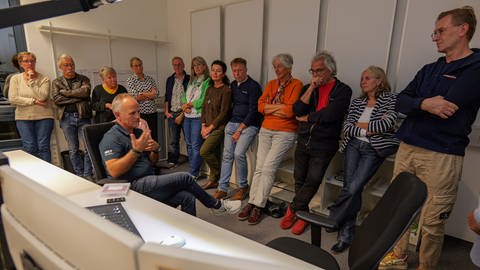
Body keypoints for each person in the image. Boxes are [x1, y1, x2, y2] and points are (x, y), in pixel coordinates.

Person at [379, 6, 480, 270]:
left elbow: (448, 107)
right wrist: (424, 104)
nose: (435, 36)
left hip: (442, 154)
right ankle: (397, 257)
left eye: (441, 31)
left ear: (463, 30)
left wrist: (417, 103)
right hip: (408, 147)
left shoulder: (475, 68)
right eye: (434, 32)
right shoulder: (429, 69)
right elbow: (399, 100)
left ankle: (426, 266)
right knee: (399, 211)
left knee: (433, 221)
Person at [99, 93, 240, 216]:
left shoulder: (138, 132)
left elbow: (152, 162)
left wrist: (154, 150)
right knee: (185, 177)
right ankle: (216, 206)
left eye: (138, 112)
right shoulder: (112, 137)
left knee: (187, 197)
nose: (138, 117)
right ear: (118, 115)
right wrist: (136, 151)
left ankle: (190, 234)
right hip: (132, 187)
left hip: (149, 182)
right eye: (132, 113)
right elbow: (114, 171)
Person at [278, 51, 352, 235]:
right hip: (304, 139)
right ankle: (303, 214)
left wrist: (308, 118)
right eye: (312, 71)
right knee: (299, 178)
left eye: (319, 71)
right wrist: (311, 89)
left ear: (331, 70)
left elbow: (332, 114)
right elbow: (297, 110)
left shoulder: (343, 90)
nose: (315, 75)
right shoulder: (307, 88)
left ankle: (293, 209)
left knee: (313, 179)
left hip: (324, 143)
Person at [326, 66, 398, 252]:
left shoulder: (390, 99)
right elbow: (348, 126)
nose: (363, 81)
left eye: (367, 78)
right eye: (362, 78)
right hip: (353, 146)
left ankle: (335, 215)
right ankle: (345, 235)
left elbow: (388, 123)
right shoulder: (358, 102)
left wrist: (363, 126)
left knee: (354, 187)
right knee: (350, 188)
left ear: (379, 81)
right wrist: (368, 128)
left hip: (373, 149)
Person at [237, 53, 303, 225]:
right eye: (274, 66)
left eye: (279, 66)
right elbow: (260, 107)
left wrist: (270, 108)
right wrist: (279, 108)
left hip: (285, 132)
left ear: (289, 68)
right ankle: (251, 202)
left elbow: (290, 112)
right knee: (259, 167)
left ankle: (258, 205)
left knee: (268, 167)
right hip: (266, 129)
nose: (276, 70)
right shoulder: (272, 84)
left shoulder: (297, 84)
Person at [214, 58, 262, 200]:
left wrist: (239, 130)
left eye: (240, 70)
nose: (237, 73)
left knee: (238, 154)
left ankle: (242, 187)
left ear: (246, 70)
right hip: (233, 123)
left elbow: (254, 111)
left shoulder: (254, 86)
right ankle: (222, 188)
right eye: (234, 71)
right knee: (227, 155)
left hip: (249, 125)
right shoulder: (233, 85)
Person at [52, 54, 93, 179]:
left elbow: (86, 92)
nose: (70, 67)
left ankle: (88, 174)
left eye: (72, 64)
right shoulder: (57, 82)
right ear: (61, 67)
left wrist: (67, 94)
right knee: (73, 149)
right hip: (66, 118)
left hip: (83, 117)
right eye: (66, 65)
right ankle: (79, 174)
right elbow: (57, 100)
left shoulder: (83, 79)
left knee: (88, 148)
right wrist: (77, 97)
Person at [8, 51, 54, 162]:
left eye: (32, 61)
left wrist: (31, 81)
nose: (30, 63)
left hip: (44, 117)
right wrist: (34, 101)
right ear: (20, 63)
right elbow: (13, 98)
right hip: (23, 118)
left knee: (43, 147)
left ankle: (48, 175)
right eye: (26, 61)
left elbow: (42, 96)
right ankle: (34, 175)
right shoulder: (15, 79)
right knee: (29, 147)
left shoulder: (44, 79)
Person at [199, 60, 232, 190]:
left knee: (204, 151)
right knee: (214, 152)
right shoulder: (209, 89)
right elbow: (204, 109)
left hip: (219, 128)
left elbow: (224, 113)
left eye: (218, 71)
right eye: (213, 70)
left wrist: (210, 128)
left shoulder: (226, 90)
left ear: (223, 74)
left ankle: (218, 174)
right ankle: (214, 180)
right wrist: (203, 126)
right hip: (206, 126)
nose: (215, 73)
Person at [181, 56, 211, 179]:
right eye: (194, 65)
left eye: (199, 65)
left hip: (198, 117)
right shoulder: (191, 81)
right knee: (188, 144)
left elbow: (203, 100)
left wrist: (190, 104)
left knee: (195, 145)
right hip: (187, 116)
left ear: (204, 66)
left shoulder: (207, 81)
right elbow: (184, 96)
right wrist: (184, 105)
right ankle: (193, 169)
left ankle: (194, 172)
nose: (197, 68)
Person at [126, 57, 159, 142]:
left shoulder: (150, 79)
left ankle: (154, 154)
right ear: (132, 67)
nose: (139, 67)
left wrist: (142, 93)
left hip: (152, 112)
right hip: (140, 115)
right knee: (141, 137)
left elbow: (156, 94)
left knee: (153, 136)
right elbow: (135, 97)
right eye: (136, 66)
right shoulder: (131, 80)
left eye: (140, 65)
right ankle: (144, 155)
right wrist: (150, 94)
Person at [165, 56, 190, 165]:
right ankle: (173, 161)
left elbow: (191, 97)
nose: (177, 66)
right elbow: (167, 96)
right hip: (172, 113)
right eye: (175, 64)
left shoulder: (189, 79)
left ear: (183, 65)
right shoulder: (170, 79)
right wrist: (167, 112)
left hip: (185, 114)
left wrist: (184, 112)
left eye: (179, 64)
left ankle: (192, 162)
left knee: (189, 140)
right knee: (174, 140)